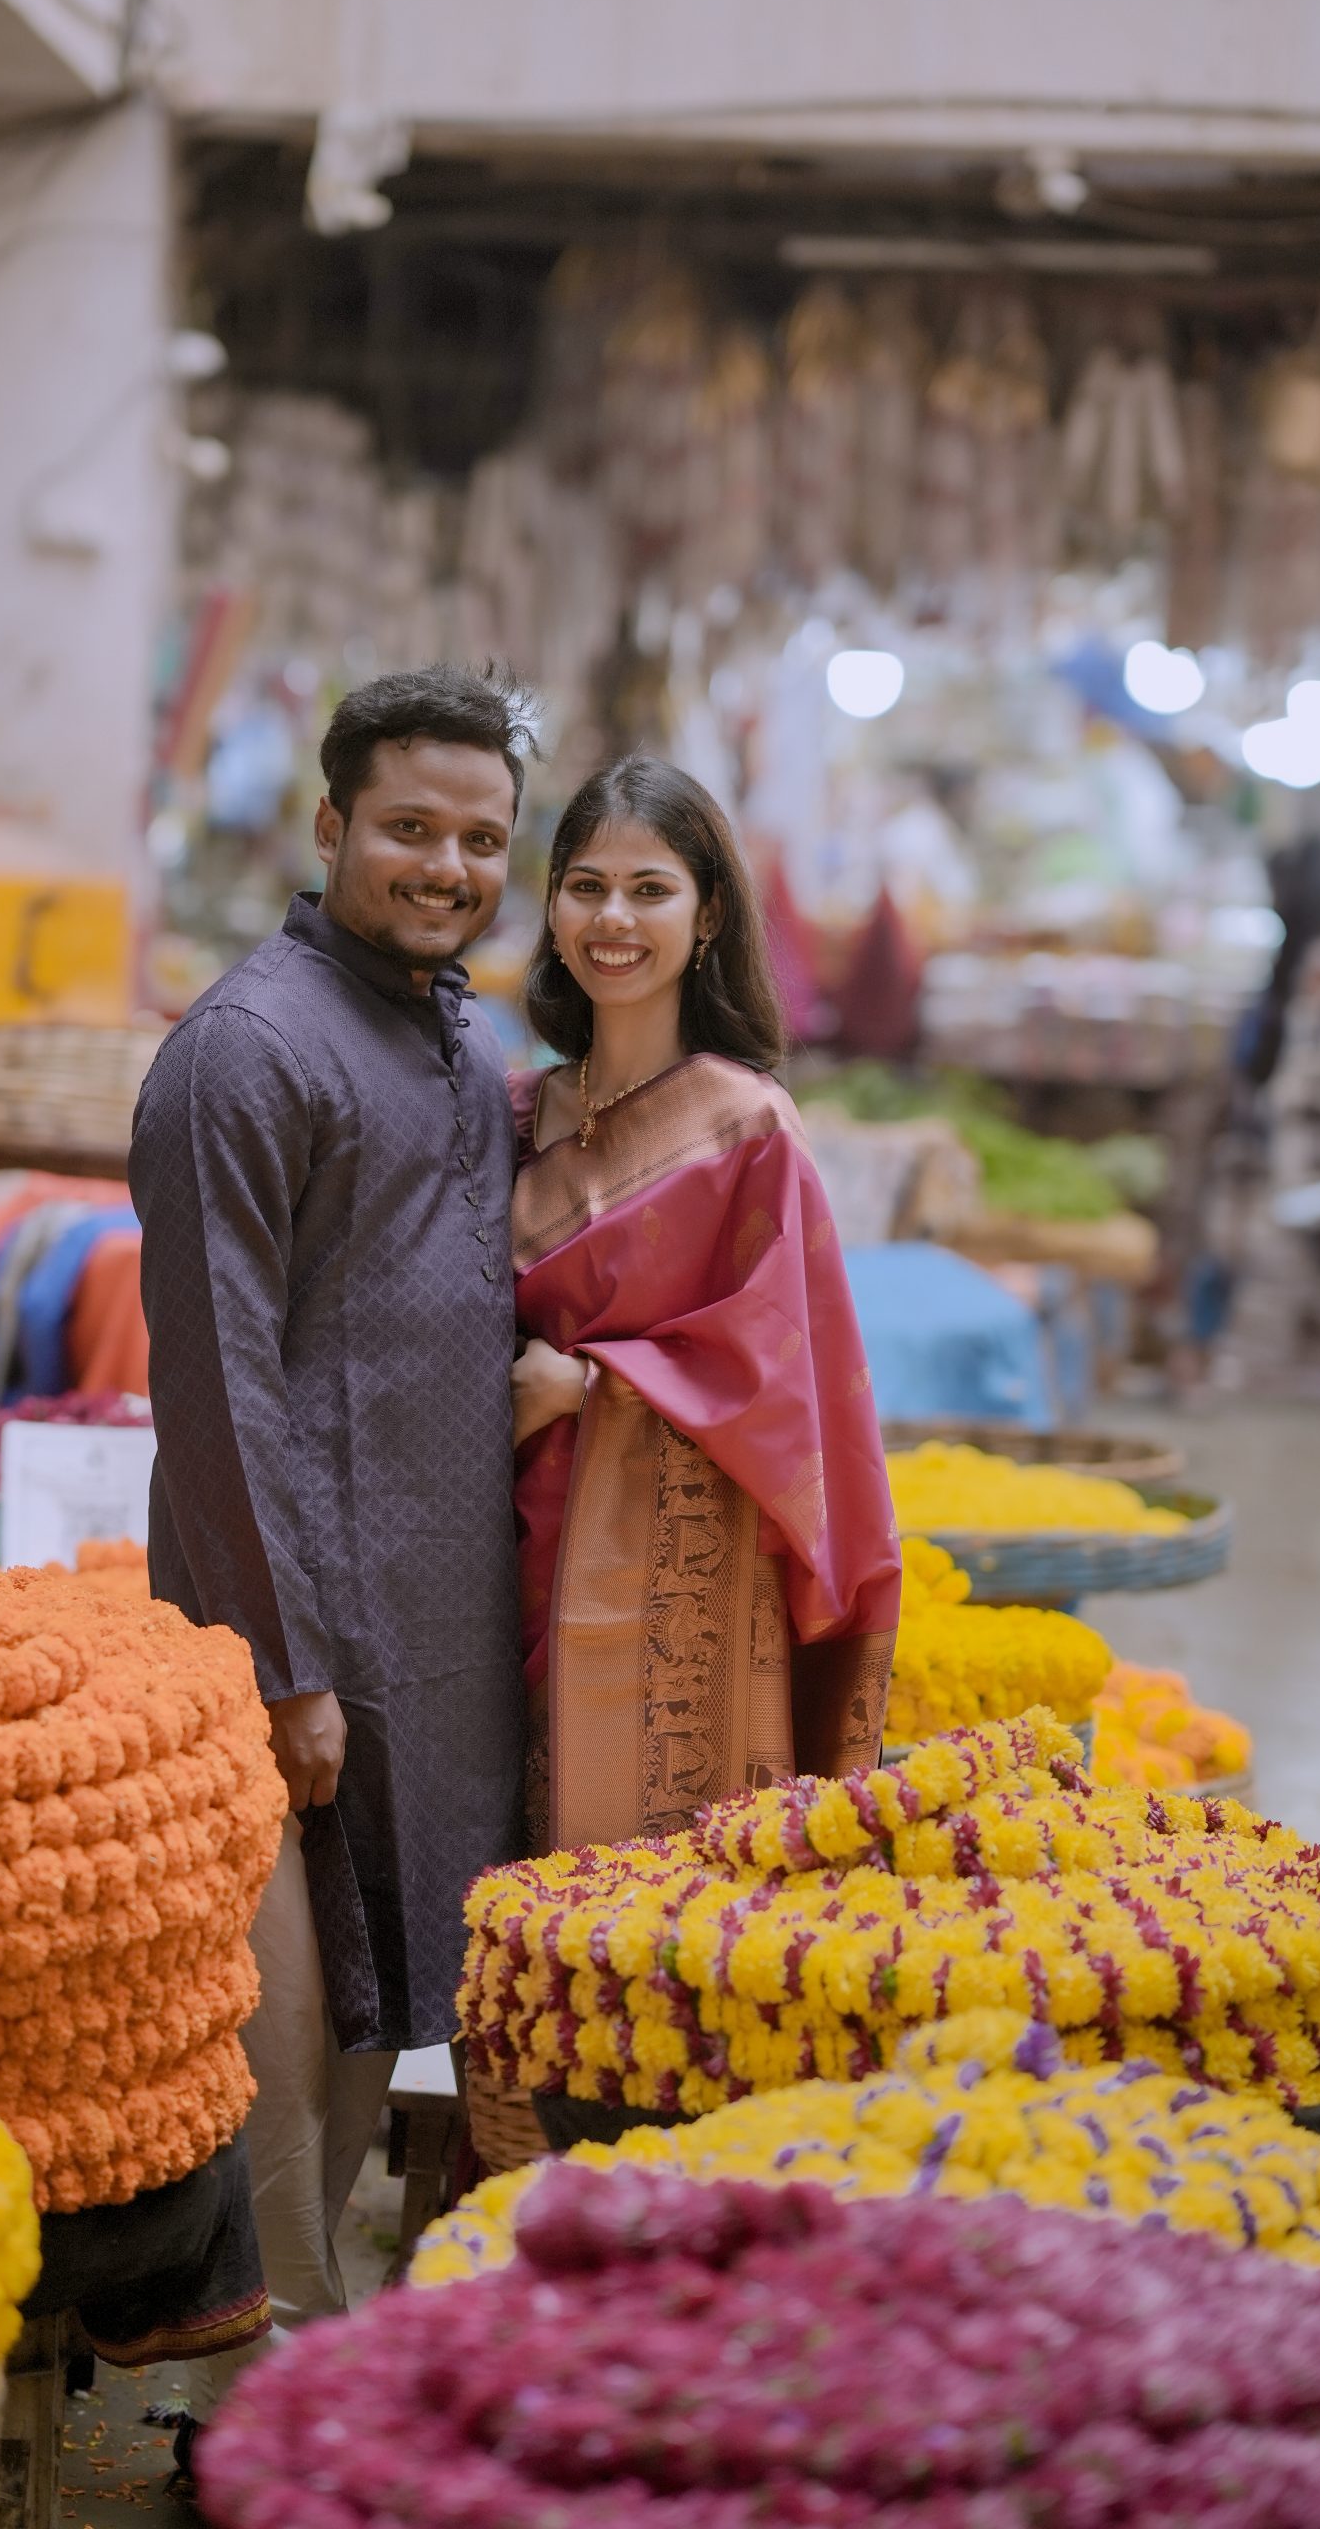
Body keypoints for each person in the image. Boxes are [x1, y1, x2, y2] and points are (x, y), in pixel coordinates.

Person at [129, 664, 532, 2418]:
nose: (445, 866)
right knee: (277, 2016)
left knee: (386, 1988)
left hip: (435, 1614)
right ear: (329, 830)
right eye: (410, 830)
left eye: (479, 838)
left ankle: (327, 2353)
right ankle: (261, 2383)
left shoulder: (457, 1027)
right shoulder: (245, 1050)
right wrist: (280, 1664)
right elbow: (216, 1386)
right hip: (290, 1618)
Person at [508, 754, 900, 1854]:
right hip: (502, 1559)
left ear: (709, 909)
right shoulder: (505, 1114)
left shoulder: (748, 1129)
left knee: (650, 1923)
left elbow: (786, 1377)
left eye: (650, 888)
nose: (613, 919)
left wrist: (583, 1385)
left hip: (676, 1594)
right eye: (585, 886)